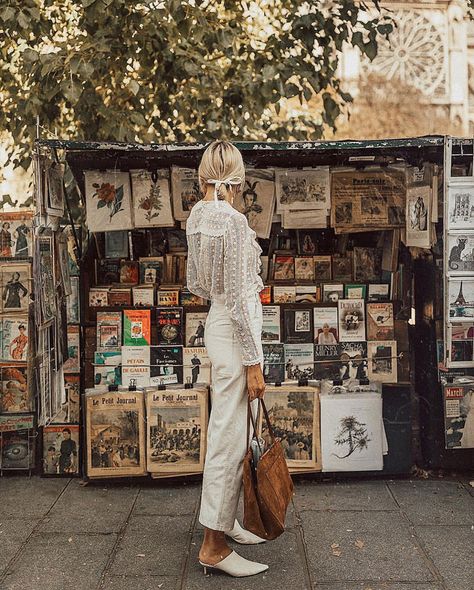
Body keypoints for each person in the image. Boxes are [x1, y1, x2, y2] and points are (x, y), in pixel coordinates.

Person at [186, 141, 268, 578]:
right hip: (237, 333)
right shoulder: (233, 222)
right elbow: (239, 298)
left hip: (219, 324)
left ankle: (226, 521)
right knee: (230, 437)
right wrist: (253, 361)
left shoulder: (197, 217)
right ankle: (213, 545)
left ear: (202, 177)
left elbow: (198, 285)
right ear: (238, 180)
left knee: (231, 429)